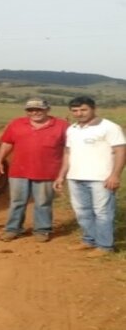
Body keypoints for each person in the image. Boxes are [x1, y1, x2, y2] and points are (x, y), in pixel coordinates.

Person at [54, 96, 126, 258]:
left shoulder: (109, 127)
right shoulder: (72, 129)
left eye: (83, 109)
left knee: (103, 213)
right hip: (75, 177)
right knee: (82, 212)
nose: (79, 113)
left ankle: (105, 246)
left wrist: (115, 175)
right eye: (75, 110)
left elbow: (121, 151)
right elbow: (67, 153)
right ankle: (89, 240)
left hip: (101, 178)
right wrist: (61, 176)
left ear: (94, 109)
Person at [0, 98, 68, 243]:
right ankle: (13, 229)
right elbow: (7, 143)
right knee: (17, 201)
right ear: (26, 111)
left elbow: (68, 150)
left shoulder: (62, 126)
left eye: (39, 109)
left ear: (47, 110)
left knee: (43, 202)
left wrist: (63, 173)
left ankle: (42, 230)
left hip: (47, 171)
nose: (35, 112)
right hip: (19, 170)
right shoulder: (17, 124)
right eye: (31, 110)